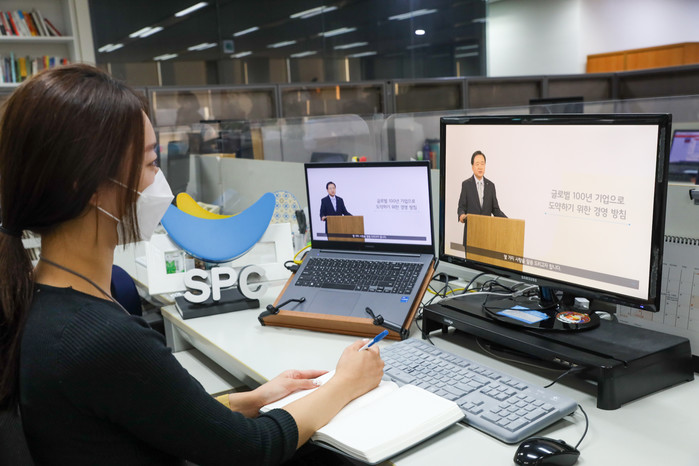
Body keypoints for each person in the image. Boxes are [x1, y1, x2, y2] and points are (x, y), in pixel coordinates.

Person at [0, 65, 383, 465]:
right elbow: (254, 448)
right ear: (90, 186)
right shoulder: (100, 338)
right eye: (150, 163)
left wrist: (251, 399)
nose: (159, 180)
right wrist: (345, 383)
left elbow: (148, 413)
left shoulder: (39, 298)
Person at [457, 150, 507, 252]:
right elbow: (461, 207)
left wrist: (508, 221)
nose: (480, 167)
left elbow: (496, 210)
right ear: (472, 167)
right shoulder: (466, 185)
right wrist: (462, 215)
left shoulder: (491, 186)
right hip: (471, 235)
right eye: (477, 164)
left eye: (482, 164)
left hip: (486, 236)